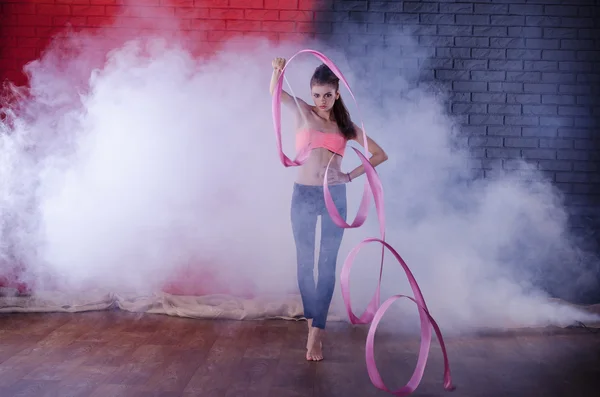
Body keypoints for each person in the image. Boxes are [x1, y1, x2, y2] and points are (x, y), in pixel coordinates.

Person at [270, 57, 388, 361]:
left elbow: (379, 154)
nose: (321, 101)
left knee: (326, 265)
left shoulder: (345, 127)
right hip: (304, 195)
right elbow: (275, 94)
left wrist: (348, 175)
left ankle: (316, 334)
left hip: (334, 197)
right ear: (311, 95)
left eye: (327, 94)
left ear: (337, 94)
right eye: (317, 94)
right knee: (304, 264)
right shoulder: (303, 112)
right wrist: (277, 72)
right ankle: (313, 322)